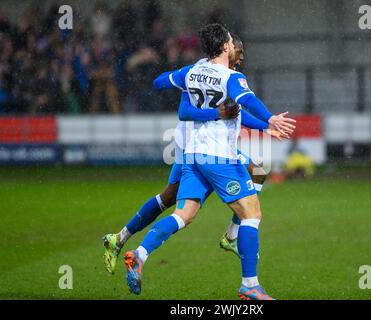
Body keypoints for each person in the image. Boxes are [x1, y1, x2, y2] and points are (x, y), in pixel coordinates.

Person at [122, 23, 295, 300]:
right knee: (252, 214)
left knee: (183, 215)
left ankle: (139, 254)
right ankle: (249, 284)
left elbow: (159, 82)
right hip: (219, 156)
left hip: (193, 155)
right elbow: (247, 100)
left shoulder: (193, 71)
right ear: (226, 46)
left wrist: (262, 124)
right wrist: (270, 117)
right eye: (230, 40)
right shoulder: (231, 77)